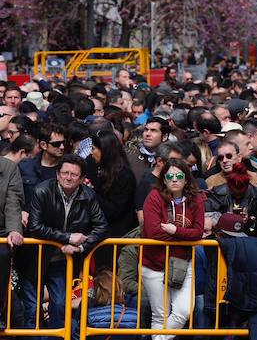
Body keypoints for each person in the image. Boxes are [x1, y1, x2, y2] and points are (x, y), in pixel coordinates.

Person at [18, 154, 108, 331]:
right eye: (65, 172)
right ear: (57, 174)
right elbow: (35, 227)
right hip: (34, 259)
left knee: (59, 307)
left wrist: (81, 246)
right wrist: (67, 237)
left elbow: (102, 227)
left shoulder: (89, 196)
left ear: (82, 178)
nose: (68, 177)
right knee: (32, 309)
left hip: (62, 261)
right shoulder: (42, 191)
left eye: (74, 174)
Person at [141, 158, 205, 340]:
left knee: (184, 311)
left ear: (186, 179)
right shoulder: (154, 197)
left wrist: (175, 230)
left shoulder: (196, 200)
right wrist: (185, 235)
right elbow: (154, 233)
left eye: (179, 176)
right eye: (170, 176)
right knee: (160, 316)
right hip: (154, 264)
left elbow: (198, 233)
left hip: (183, 264)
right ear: (164, 179)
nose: (175, 179)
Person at [86, 130, 137, 270]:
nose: (91, 153)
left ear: (105, 150)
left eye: (94, 149)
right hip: (99, 235)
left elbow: (114, 210)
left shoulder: (123, 175)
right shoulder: (97, 168)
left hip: (115, 238)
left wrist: (91, 192)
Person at [0, 135, 35, 327]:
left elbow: (13, 203)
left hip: (1, 231)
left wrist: (14, 230)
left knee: (3, 254)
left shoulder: (9, 168)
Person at [71, 270, 138, 340]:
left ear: (96, 292)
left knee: (72, 323)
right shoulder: (135, 315)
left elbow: (78, 336)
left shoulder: (90, 315)